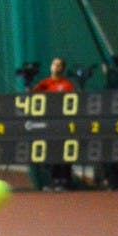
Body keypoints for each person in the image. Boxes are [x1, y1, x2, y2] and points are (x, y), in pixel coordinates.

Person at [31, 57, 77, 190]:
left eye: (59, 65)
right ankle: (54, 180)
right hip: (48, 124)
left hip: (64, 124)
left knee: (65, 151)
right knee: (51, 152)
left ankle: (65, 181)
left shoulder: (67, 85)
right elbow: (32, 98)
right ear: (51, 67)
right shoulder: (44, 84)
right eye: (54, 64)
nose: (56, 67)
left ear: (62, 68)